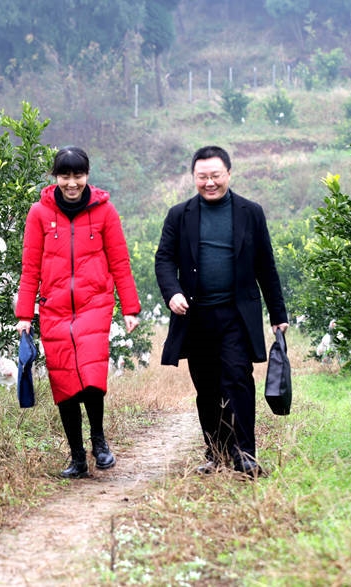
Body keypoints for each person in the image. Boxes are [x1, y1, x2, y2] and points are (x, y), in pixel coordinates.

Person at [155, 145, 289, 478]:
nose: (209, 182)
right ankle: (216, 452)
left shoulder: (250, 212)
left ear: (228, 173)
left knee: (238, 381)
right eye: (203, 177)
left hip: (236, 315)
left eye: (215, 175)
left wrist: (278, 313)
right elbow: (164, 260)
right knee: (208, 388)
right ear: (193, 177)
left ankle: (245, 455)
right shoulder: (179, 215)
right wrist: (172, 293)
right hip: (196, 317)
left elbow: (265, 265)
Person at [16, 146, 141, 479]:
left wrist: (130, 307)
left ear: (87, 174)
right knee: (64, 381)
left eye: (78, 176)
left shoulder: (105, 212)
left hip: (94, 304)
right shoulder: (39, 214)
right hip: (54, 308)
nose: (72, 183)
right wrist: (24, 315)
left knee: (90, 375)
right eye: (65, 176)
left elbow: (119, 262)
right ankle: (77, 457)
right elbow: (30, 268)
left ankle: (98, 440)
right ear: (55, 177)